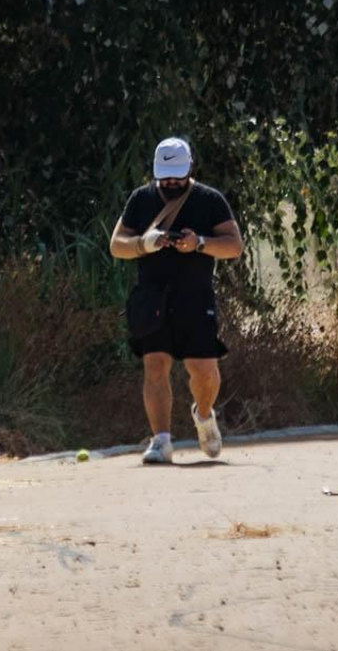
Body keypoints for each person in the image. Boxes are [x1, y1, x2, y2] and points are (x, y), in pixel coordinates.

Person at [109, 137, 244, 464]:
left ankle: (204, 414)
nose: (170, 182)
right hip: (152, 296)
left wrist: (198, 243)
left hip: (195, 296)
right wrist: (145, 243)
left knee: (204, 372)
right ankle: (161, 441)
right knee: (155, 364)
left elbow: (234, 246)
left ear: (189, 169)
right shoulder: (140, 199)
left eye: (177, 175)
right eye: (165, 175)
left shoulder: (209, 200)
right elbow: (116, 245)